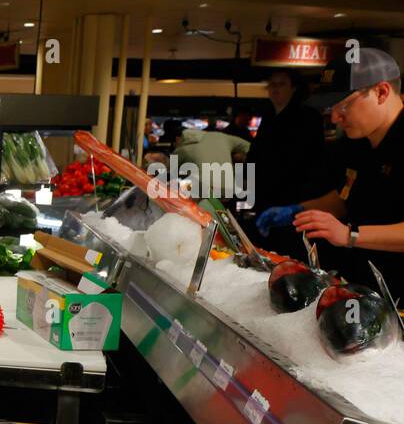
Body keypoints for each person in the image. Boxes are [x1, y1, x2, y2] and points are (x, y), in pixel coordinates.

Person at [259, 48, 404, 300]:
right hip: (366, 287)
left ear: (381, 92)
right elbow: (345, 199)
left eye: (344, 105)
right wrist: (299, 210)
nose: (335, 118)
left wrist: (350, 235)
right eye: (332, 108)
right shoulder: (357, 143)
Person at [243, 69, 325, 221]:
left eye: (281, 84)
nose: (275, 88)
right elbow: (255, 153)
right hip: (264, 196)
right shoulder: (268, 115)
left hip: (292, 200)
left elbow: (311, 161)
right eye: (272, 84)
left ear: (293, 88)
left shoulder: (308, 117)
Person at [145, 120, 250, 204]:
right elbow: (250, 147)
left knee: (173, 185)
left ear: (178, 139)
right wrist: (235, 157)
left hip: (201, 191)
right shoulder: (222, 136)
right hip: (229, 191)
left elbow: (171, 174)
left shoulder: (182, 149)